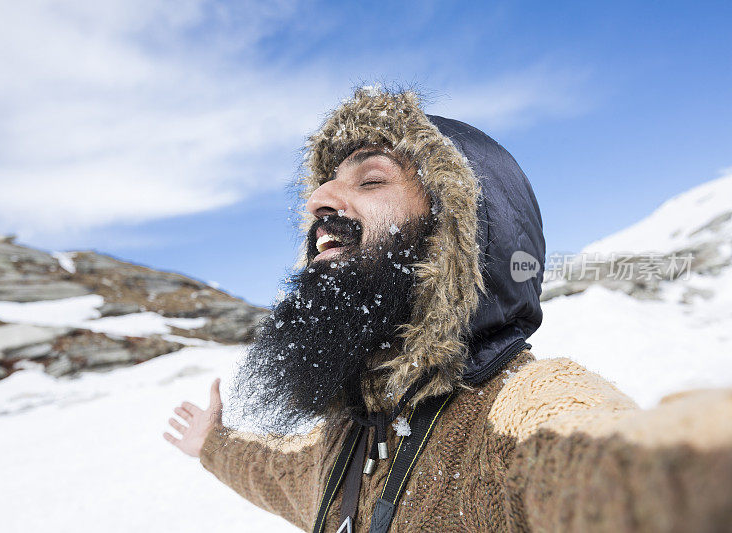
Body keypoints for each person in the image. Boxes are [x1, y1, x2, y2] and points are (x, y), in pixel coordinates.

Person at [164, 87, 732, 532]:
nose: (315, 200)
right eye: (326, 183)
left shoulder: (519, 410)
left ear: (455, 233)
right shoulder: (349, 431)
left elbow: (618, 471)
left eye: (371, 178)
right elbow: (279, 473)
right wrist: (213, 444)